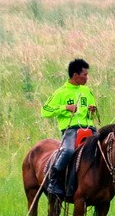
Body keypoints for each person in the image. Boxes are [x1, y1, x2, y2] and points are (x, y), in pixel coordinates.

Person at [41, 58, 98, 197]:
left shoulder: (87, 91)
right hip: (71, 129)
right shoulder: (61, 92)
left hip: (89, 128)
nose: (87, 78)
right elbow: (45, 111)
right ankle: (53, 180)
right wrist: (65, 108)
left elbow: (92, 115)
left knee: (105, 147)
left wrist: (92, 111)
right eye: (85, 75)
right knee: (68, 150)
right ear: (75, 75)